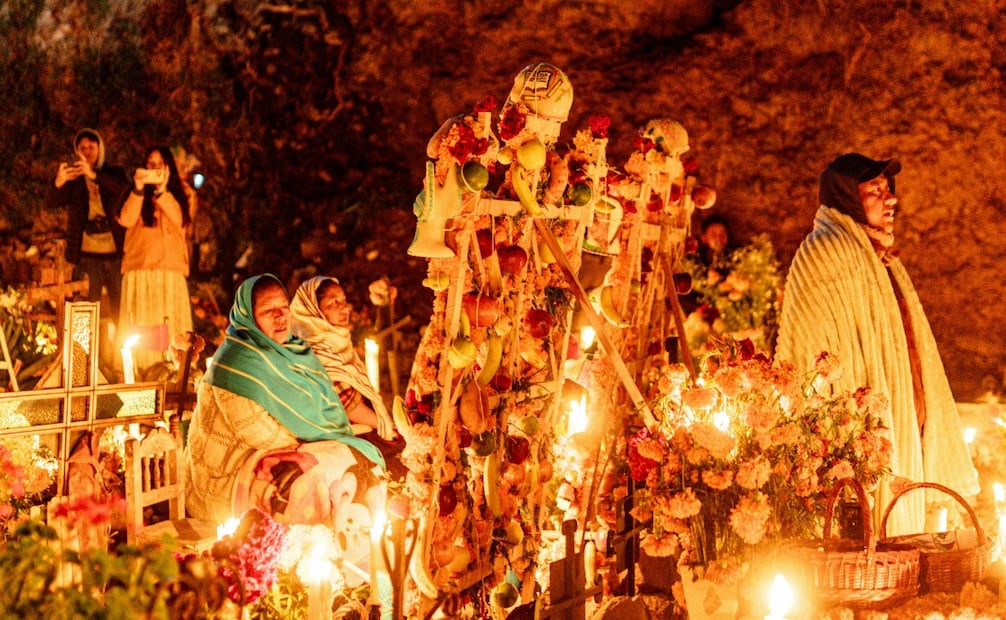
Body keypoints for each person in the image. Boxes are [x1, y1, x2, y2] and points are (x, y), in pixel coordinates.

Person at [776, 153, 979, 536]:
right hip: (860, 413)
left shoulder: (880, 256)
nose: (890, 200)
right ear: (848, 198)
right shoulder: (825, 252)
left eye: (888, 190)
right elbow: (813, 349)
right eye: (875, 190)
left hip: (899, 402)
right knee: (864, 520)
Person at [183, 275, 385, 579]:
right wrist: (313, 440)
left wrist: (322, 438)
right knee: (304, 475)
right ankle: (298, 572)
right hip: (221, 479)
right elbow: (258, 431)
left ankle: (352, 566)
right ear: (248, 317)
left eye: (283, 307)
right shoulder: (234, 362)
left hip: (267, 456)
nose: (280, 316)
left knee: (346, 460)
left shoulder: (293, 350)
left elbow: (323, 404)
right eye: (268, 310)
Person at [289, 276, 403, 455]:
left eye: (343, 300)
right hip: (335, 433)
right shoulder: (310, 352)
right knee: (400, 444)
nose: (344, 307)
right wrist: (386, 426)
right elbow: (346, 404)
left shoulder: (335, 341)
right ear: (313, 310)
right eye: (333, 302)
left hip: (355, 424)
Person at [116, 146, 193, 373]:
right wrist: (139, 189)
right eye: (150, 163)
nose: (155, 168)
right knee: (141, 324)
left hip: (170, 271)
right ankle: (139, 371)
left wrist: (162, 191)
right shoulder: (135, 193)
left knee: (170, 325)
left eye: (160, 163)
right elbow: (126, 219)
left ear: (169, 167)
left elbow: (181, 221)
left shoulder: (183, 193)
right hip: (139, 268)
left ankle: (172, 371)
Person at [47, 128, 130, 320]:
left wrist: (94, 175)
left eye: (91, 147)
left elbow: (124, 190)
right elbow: (51, 202)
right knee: (85, 309)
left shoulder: (113, 173)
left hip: (115, 254)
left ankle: (120, 350)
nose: (86, 152)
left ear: (100, 149)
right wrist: (59, 181)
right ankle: (84, 349)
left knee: (119, 307)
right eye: (82, 148)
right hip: (86, 255)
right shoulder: (73, 179)